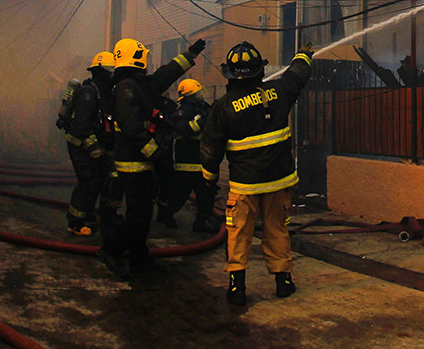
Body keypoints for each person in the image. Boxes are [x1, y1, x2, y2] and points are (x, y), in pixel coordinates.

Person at [200, 40, 313, 306]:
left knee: (238, 233)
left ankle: (237, 287)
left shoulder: (222, 106)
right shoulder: (278, 91)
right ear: (260, 71)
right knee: (277, 229)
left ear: (229, 74)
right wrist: (304, 55)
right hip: (279, 180)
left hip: (245, 186)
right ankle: (283, 281)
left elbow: (210, 146)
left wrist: (209, 177)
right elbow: (296, 76)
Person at [96, 37, 206, 280]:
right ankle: (111, 250)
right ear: (135, 57)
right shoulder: (126, 88)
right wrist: (157, 156)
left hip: (142, 161)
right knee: (138, 214)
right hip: (134, 162)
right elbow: (133, 129)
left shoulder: (138, 84)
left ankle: (139, 258)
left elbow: (166, 74)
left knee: (142, 213)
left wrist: (190, 55)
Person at [156, 78, 221, 233]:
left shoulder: (205, 108)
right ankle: (166, 214)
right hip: (186, 163)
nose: (200, 96)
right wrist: (203, 121)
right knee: (179, 194)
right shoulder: (181, 111)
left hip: (203, 162)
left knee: (206, 194)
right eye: (196, 94)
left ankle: (203, 221)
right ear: (188, 96)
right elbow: (185, 129)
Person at [63, 53, 114, 235]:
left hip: (90, 145)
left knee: (97, 181)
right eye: (111, 71)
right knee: (87, 181)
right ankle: (75, 223)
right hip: (79, 144)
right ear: (101, 72)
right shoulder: (89, 93)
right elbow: (82, 124)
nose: (113, 75)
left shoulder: (103, 93)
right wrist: (93, 147)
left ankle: (89, 215)